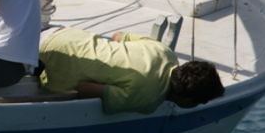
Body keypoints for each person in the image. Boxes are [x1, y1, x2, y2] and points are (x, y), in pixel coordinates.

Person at [39, 27, 225, 114]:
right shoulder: (148, 101)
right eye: (200, 102)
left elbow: (117, 36)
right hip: (46, 67)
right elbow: (84, 88)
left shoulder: (164, 51)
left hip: (60, 34)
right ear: (187, 100)